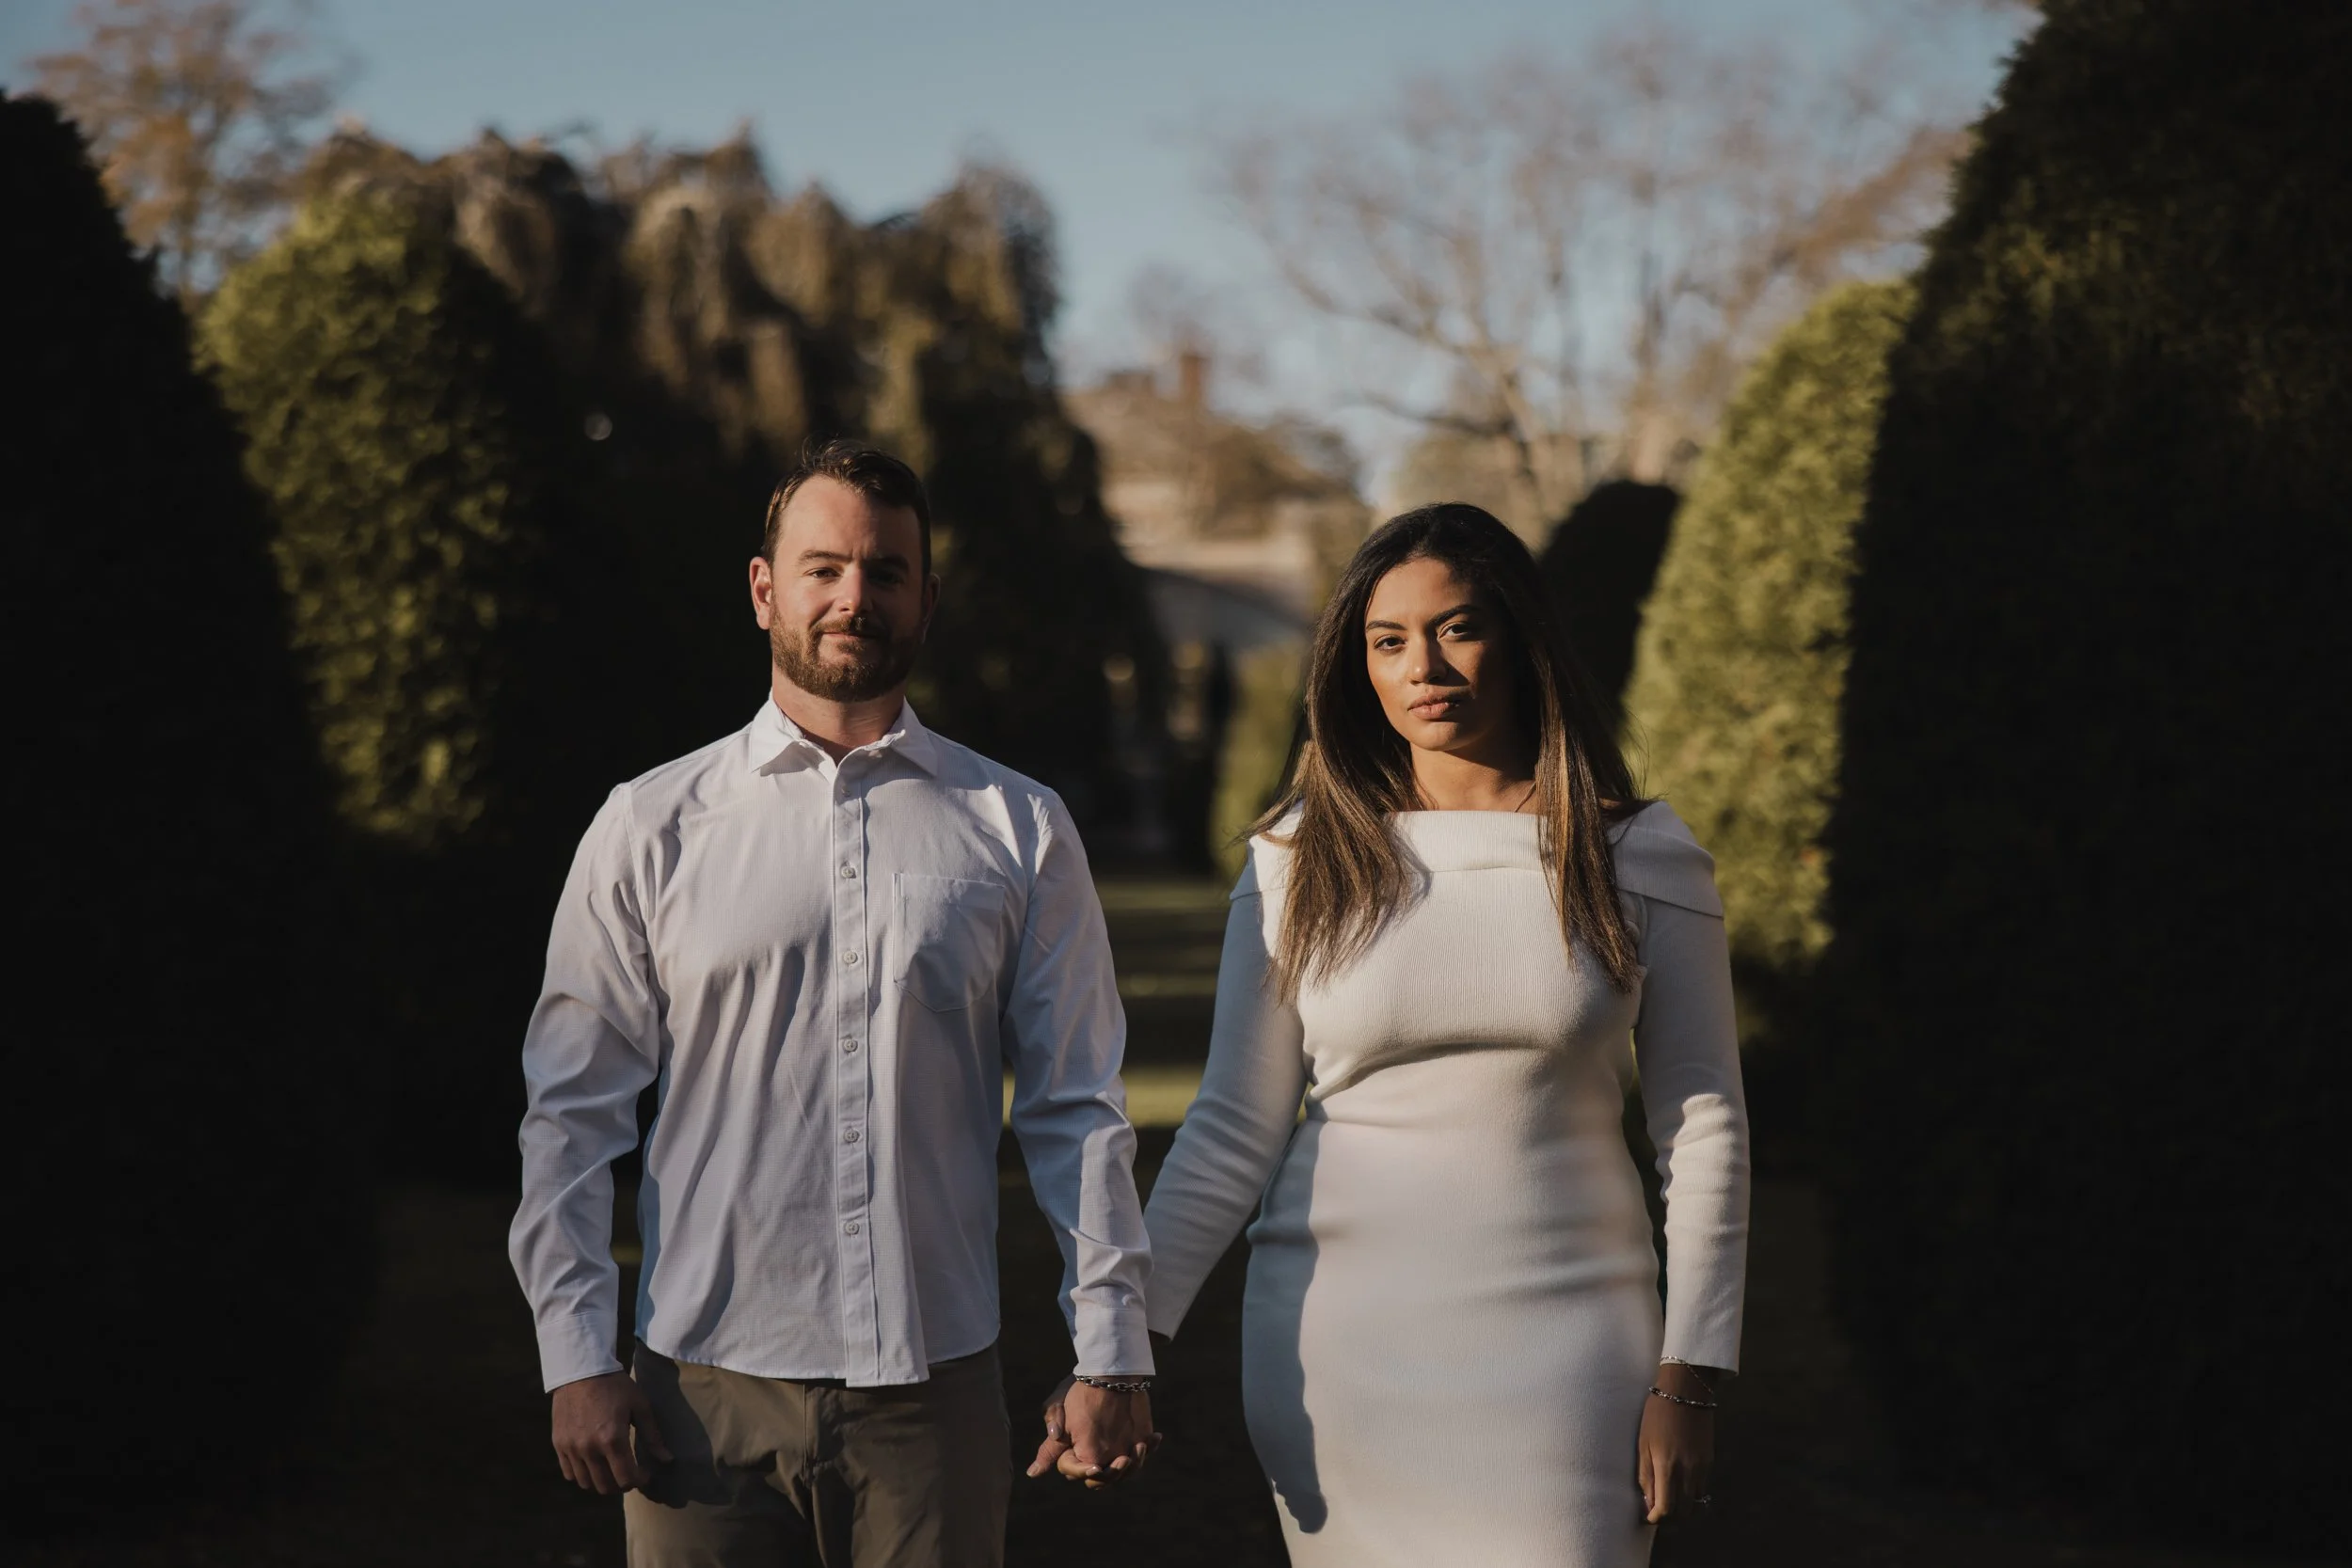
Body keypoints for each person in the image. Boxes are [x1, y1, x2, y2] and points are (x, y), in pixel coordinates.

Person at [509, 440, 1157, 1568]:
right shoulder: (649, 825)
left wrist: (1109, 1350)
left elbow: (1077, 1105)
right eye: (823, 568)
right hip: (698, 1396)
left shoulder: (1019, 825)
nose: (854, 594)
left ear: (926, 598)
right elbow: (571, 1114)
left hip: (932, 1395)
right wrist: (576, 1354)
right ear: (765, 590)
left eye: (885, 570)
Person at [1074, 503, 1750, 1564]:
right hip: (1340, 1355)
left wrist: (1691, 1373)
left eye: (1456, 628)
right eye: (1386, 640)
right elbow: (1228, 1129)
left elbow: (1704, 1127)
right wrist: (1121, 1347)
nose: (1421, 665)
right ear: (1355, 666)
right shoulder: (1297, 857)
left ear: (1522, 642)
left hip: (1575, 1355)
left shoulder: (1641, 856)